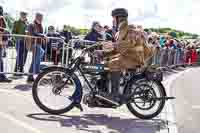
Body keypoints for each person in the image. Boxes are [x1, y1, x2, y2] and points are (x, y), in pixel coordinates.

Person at [100, 8, 154, 102]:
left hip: (134, 58)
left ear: (119, 18)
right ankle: (103, 91)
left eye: (113, 18)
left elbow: (129, 43)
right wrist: (103, 53)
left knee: (113, 64)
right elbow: (117, 49)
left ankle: (114, 95)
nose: (112, 21)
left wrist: (112, 45)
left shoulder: (130, 29)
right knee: (105, 64)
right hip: (127, 56)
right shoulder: (120, 32)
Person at [27, 13, 45, 82]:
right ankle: (30, 76)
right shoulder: (32, 24)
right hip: (34, 44)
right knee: (35, 60)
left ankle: (35, 73)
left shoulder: (40, 25)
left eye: (42, 18)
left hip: (38, 44)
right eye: (40, 17)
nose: (41, 19)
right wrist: (43, 36)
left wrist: (43, 37)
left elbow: (40, 34)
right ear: (37, 17)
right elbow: (33, 33)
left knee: (39, 56)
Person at [0, 6, 11, 82]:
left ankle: (2, 75)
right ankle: (2, 76)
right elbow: (3, 29)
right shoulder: (1, 18)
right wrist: (5, 30)